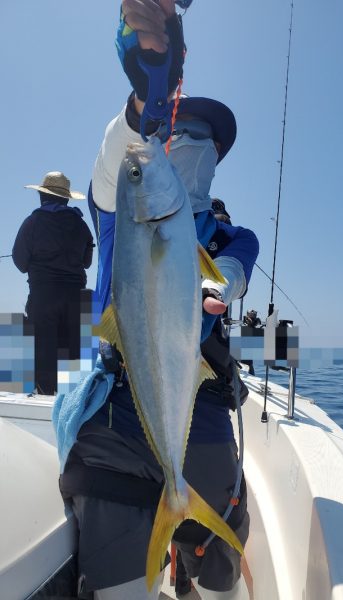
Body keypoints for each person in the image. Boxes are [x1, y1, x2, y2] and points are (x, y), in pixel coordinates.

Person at [53, 1, 259, 599]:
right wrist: (144, 102)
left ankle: (195, 568)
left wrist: (217, 285)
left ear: (215, 160)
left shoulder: (227, 233)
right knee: (116, 579)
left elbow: (233, 268)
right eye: (181, 130)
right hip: (122, 407)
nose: (189, 142)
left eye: (204, 140)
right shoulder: (123, 211)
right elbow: (114, 169)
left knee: (222, 555)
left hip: (201, 408)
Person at [12, 171, 94, 395]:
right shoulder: (81, 225)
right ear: (66, 198)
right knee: (74, 352)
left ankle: (45, 393)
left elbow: (20, 262)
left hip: (43, 296)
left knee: (43, 350)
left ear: (43, 196)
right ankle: (74, 400)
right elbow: (87, 262)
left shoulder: (32, 222)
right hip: (75, 297)